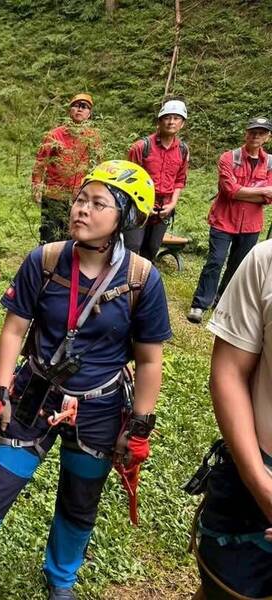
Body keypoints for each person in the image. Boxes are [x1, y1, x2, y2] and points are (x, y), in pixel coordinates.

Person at [0, 160, 172, 599]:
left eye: (97, 204)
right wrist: (0, 394)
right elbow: (14, 330)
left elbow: (149, 360)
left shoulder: (141, 280)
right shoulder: (46, 260)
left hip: (100, 406)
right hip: (35, 393)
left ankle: (61, 579)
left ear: (125, 218)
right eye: (79, 200)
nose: (81, 211)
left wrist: (139, 426)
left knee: (80, 499)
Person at [193, 240, 272, 598]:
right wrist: (262, 487)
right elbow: (229, 372)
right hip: (256, 472)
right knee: (224, 590)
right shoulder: (265, 261)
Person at [187, 116, 272, 324]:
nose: (255, 136)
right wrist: (260, 191)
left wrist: (245, 191)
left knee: (238, 265)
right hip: (223, 220)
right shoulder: (229, 157)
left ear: (267, 137)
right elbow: (229, 191)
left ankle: (222, 302)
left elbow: (270, 197)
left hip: (251, 224)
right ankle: (199, 304)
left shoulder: (270, 163)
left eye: (261, 133)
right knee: (215, 261)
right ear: (246, 133)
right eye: (252, 131)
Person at [32, 93, 103, 244]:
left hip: (79, 197)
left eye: (84, 107)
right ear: (70, 110)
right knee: (49, 236)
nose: (79, 109)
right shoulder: (54, 135)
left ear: (89, 114)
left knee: (72, 237)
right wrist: (37, 186)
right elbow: (40, 162)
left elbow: (99, 166)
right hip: (53, 196)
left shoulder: (93, 137)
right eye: (76, 105)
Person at [124, 99, 190, 261]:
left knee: (152, 249)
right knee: (132, 247)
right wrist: (143, 205)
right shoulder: (141, 147)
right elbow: (128, 179)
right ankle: (122, 282)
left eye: (176, 118)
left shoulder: (183, 150)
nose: (171, 122)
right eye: (167, 117)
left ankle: (143, 283)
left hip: (164, 208)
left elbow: (179, 180)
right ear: (159, 121)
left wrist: (173, 204)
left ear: (182, 124)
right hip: (138, 206)